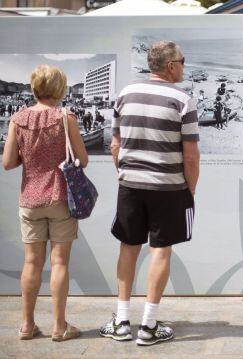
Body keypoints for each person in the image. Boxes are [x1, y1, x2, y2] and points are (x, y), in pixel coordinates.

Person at [102, 41, 199, 346]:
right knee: (161, 250)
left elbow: (115, 145)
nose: (184, 65)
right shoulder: (183, 99)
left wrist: (123, 171)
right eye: (182, 61)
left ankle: (120, 321)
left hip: (130, 184)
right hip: (168, 187)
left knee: (128, 248)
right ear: (171, 66)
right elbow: (191, 155)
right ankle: (148, 326)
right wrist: (190, 189)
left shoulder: (125, 94)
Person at [2, 64, 89, 341]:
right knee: (59, 262)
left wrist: (30, 159)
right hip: (61, 198)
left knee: (31, 263)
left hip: (30, 199)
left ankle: (27, 325)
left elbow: (8, 163)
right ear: (59, 88)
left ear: (34, 87)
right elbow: (82, 159)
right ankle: (59, 327)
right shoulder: (66, 117)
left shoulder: (17, 119)